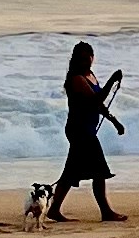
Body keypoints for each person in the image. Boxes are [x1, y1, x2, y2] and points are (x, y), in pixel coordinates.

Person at [48, 40, 125, 224]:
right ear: (76, 59)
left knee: (70, 172)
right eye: (81, 59)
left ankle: (54, 210)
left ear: (92, 57)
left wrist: (115, 122)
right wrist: (112, 80)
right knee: (99, 170)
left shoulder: (90, 75)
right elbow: (95, 99)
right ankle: (106, 212)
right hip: (79, 130)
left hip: (86, 129)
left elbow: (99, 106)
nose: (85, 62)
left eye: (87, 58)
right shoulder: (76, 79)